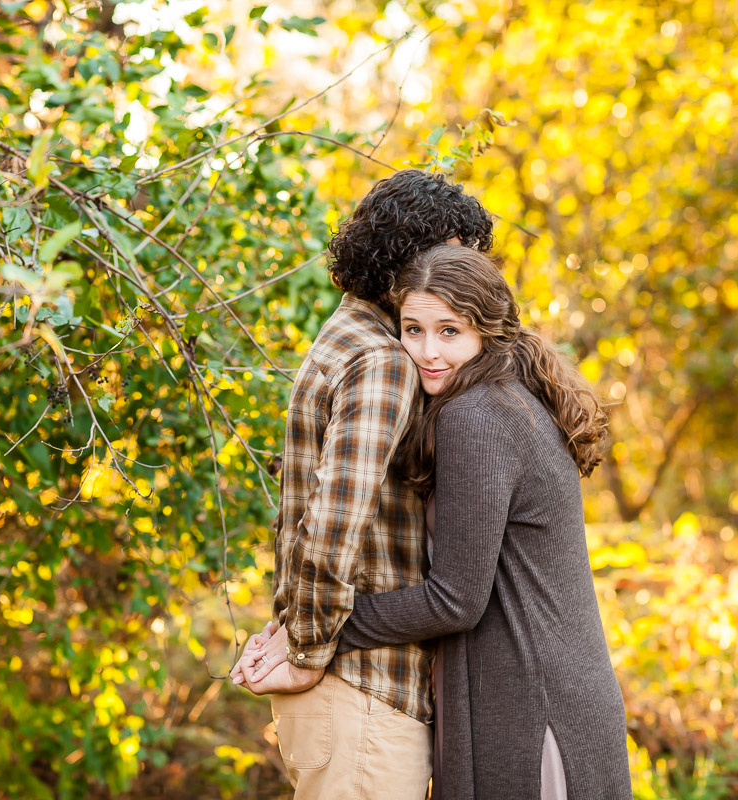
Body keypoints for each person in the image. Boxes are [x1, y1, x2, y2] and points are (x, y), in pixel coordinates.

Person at [242, 244, 632, 799]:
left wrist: (318, 631)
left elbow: (455, 598)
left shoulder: (476, 417)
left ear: (488, 331)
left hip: (531, 704)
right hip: (543, 688)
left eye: (450, 331)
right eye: (413, 328)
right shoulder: (506, 399)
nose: (427, 352)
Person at [231, 172, 494, 798]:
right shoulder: (382, 359)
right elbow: (330, 522)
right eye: (450, 254)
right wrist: (310, 650)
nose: (460, 272)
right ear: (409, 258)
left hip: (351, 698)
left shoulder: (348, 335)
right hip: (361, 696)